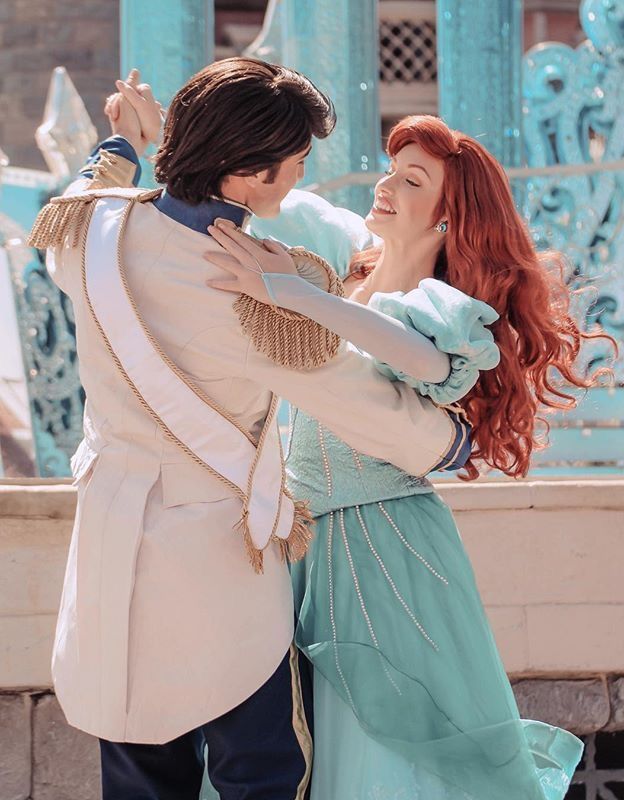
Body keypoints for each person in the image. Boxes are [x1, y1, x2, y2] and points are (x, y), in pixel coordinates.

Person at [28, 62, 471, 800]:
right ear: (247, 176)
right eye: (294, 166)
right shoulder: (251, 293)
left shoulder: (90, 232)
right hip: (217, 572)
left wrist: (122, 142)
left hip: (108, 553)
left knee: (139, 773)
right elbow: (351, 395)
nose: (298, 180)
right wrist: (453, 443)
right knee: (263, 773)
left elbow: (83, 190)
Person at [204, 114, 615, 799]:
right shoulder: (344, 281)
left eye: (412, 179)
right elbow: (290, 206)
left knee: (379, 759)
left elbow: (422, 362)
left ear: (451, 218)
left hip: (389, 558)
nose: (387, 183)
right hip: (300, 553)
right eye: (391, 168)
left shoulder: (439, 311)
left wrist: (294, 295)